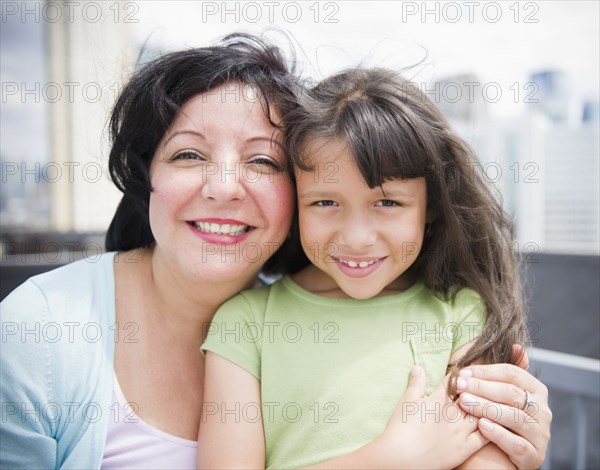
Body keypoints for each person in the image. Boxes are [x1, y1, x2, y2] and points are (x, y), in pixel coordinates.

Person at [0, 35, 550, 469]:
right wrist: (390, 460)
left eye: (262, 161)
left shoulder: (453, 311)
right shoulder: (38, 336)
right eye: (189, 154)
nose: (223, 187)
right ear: (147, 177)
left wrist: (516, 440)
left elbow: (487, 447)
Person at [199, 68, 552, 469]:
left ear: (431, 206)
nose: (357, 237)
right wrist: (389, 459)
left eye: (387, 203)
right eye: (325, 203)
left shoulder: (461, 313)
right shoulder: (244, 324)